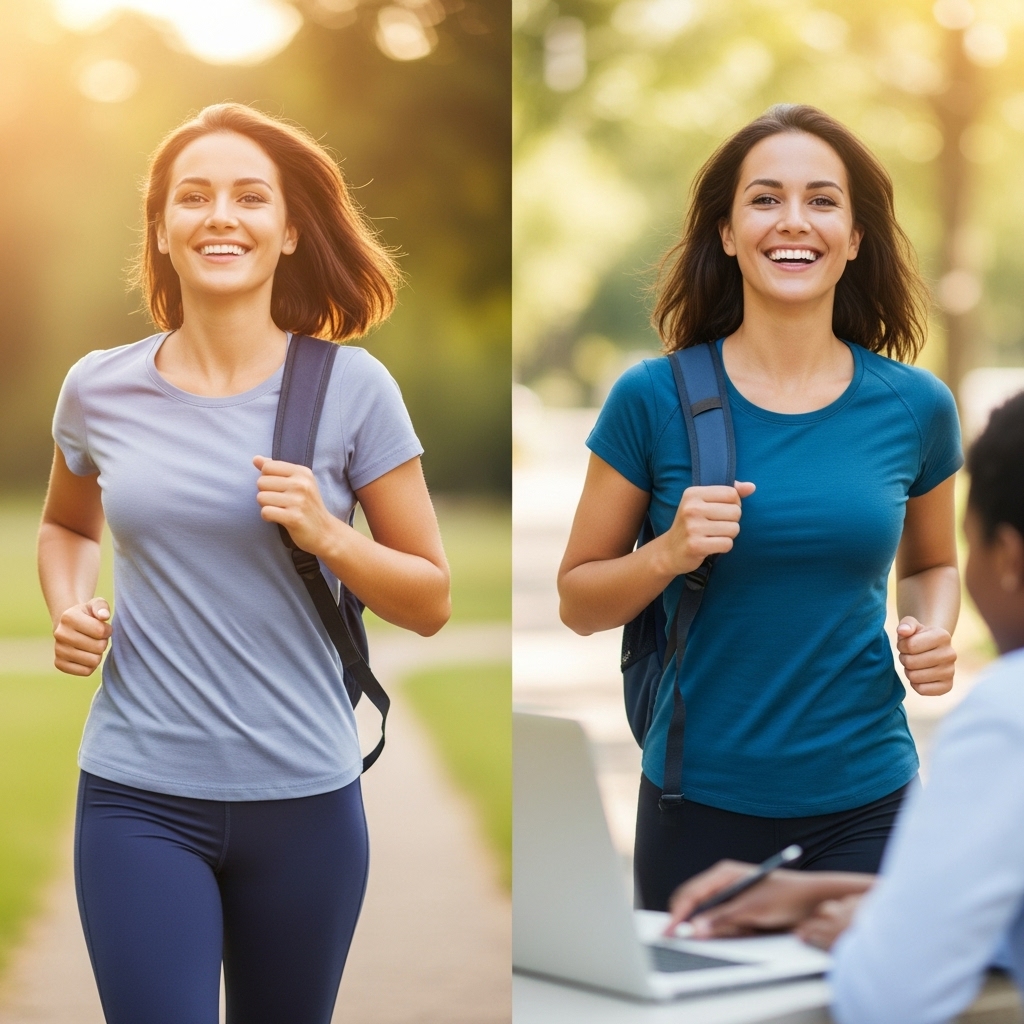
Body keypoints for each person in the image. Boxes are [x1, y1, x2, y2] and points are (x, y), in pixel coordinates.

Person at [37, 103, 451, 1024]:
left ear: (291, 229)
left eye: (249, 196)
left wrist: (331, 535)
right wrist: (71, 604)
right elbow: (68, 526)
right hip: (138, 798)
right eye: (194, 196)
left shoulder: (353, 390)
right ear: (162, 227)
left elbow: (429, 601)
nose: (220, 214)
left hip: (305, 802)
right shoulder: (98, 388)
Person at [557, 104, 962, 911]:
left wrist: (932, 628)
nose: (794, 222)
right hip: (697, 805)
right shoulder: (653, 399)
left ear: (854, 237)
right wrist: (667, 552)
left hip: (872, 799)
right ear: (727, 232)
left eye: (822, 200)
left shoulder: (916, 406)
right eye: (765, 199)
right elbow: (576, 601)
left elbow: (934, 562)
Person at [664, 391, 1024, 1024]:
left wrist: (876, 932)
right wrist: (832, 894)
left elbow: (889, 998)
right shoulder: (655, 398)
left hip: (865, 797)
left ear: (1010, 559)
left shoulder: (1007, 716)